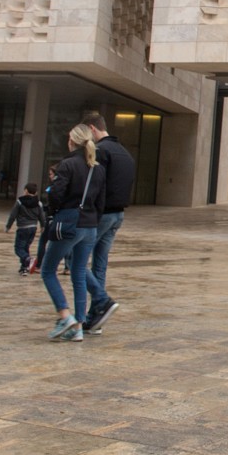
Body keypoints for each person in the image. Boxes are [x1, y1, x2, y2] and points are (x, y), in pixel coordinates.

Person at [41, 124, 105, 342]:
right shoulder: (97, 168)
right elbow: (101, 201)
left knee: (48, 269)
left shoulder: (67, 164)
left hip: (70, 222)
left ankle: (64, 315)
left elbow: (56, 195)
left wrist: (52, 212)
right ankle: (78, 326)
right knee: (78, 272)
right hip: (90, 225)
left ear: (73, 141)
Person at [79, 112, 134, 334]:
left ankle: (101, 301)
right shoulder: (125, 152)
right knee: (99, 265)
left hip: (101, 215)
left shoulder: (102, 151)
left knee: (76, 259)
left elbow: (94, 185)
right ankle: (96, 318)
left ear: (92, 129)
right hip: (118, 215)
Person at [5, 182, 46, 275]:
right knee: (25, 247)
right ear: (36, 193)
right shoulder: (38, 203)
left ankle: (28, 260)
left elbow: (13, 215)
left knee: (18, 248)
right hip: (33, 228)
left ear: (26, 191)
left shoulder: (20, 202)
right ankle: (24, 268)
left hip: (23, 228)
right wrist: (43, 226)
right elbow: (42, 216)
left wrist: (8, 226)